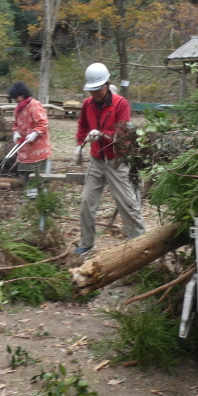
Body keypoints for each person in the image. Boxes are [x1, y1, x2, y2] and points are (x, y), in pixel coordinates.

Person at [73, 63, 145, 255]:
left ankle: (140, 245)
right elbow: (82, 126)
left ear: (107, 84)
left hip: (116, 161)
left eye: (98, 89)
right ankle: (87, 243)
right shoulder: (88, 104)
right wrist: (79, 146)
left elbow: (124, 132)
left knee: (128, 205)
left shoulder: (120, 104)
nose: (94, 93)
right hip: (96, 160)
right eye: (92, 90)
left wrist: (103, 134)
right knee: (87, 203)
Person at [9, 81, 52, 188]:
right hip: (25, 147)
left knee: (38, 172)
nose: (16, 100)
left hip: (38, 147)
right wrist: (16, 133)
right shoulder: (18, 108)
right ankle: (30, 192)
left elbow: (43, 123)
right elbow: (15, 124)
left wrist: (35, 134)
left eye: (16, 97)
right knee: (26, 172)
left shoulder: (35, 105)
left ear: (23, 94)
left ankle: (41, 193)